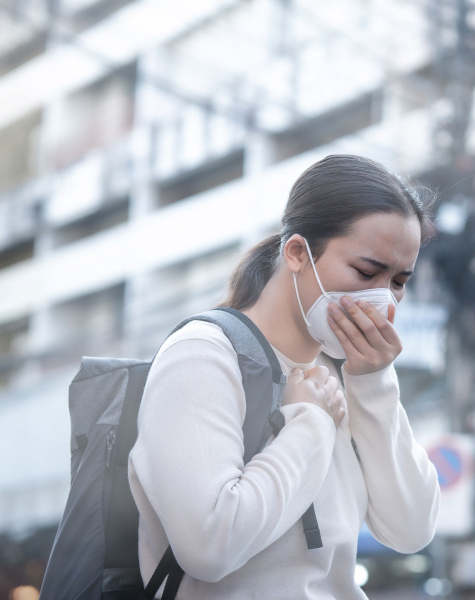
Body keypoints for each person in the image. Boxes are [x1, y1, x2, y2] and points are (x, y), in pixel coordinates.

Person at [127, 154, 442, 598]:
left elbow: (411, 530)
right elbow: (210, 548)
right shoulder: (202, 355)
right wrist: (309, 423)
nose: (382, 299)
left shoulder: (347, 377)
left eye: (398, 281)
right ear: (297, 253)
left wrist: (373, 383)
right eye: (366, 272)